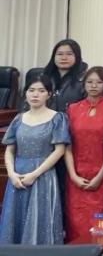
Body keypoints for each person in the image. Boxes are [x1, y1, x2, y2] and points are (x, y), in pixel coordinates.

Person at [0, 74, 70, 244]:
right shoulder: (18, 118)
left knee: (39, 221)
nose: (35, 94)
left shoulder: (58, 118)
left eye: (41, 91)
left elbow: (59, 150)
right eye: (31, 90)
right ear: (25, 93)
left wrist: (34, 174)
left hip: (42, 175)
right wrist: (11, 174)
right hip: (17, 175)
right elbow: (10, 150)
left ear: (49, 94)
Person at [64, 66, 103, 242]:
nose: (94, 86)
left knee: (100, 222)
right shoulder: (72, 108)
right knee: (75, 221)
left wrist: (100, 175)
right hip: (76, 173)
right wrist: (73, 175)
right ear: (83, 84)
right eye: (89, 82)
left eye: (99, 82)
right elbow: (67, 145)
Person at [38, 39, 87, 113]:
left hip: (71, 119)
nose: (64, 58)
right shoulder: (43, 78)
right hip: (43, 119)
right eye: (60, 54)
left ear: (77, 56)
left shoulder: (85, 80)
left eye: (69, 54)